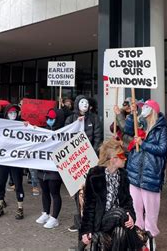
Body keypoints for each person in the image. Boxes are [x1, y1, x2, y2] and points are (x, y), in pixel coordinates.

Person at [123, 100, 167, 249]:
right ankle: (138, 238)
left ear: (153, 110)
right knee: (135, 210)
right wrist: (132, 113)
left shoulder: (161, 129)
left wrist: (144, 144)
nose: (144, 109)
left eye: (147, 107)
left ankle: (150, 240)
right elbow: (128, 129)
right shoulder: (140, 123)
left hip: (151, 176)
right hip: (134, 175)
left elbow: (163, 150)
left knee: (151, 213)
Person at [80, 139, 136, 250]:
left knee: (120, 232)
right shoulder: (95, 175)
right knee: (121, 213)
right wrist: (86, 230)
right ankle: (135, 241)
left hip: (119, 222)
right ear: (113, 159)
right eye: (122, 156)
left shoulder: (123, 176)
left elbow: (128, 202)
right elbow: (89, 206)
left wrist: (131, 217)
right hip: (100, 221)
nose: (125, 159)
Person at [66, 95, 103, 233]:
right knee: (78, 192)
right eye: (82, 102)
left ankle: (91, 219)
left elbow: (98, 138)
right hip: (76, 161)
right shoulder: (70, 119)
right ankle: (80, 220)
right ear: (77, 104)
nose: (84, 104)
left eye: (86, 102)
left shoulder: (94, 119)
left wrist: (90, 154)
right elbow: (66, 137)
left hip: (90, 160)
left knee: (91, 189)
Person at [0, 104, 26, 220]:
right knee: (1, 183)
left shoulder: (22, 123)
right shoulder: (1, 124)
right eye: (11, 113)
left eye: (15, 112)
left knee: (18, 184)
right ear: (6, 114)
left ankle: (20, 207)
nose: (13, 115)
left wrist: (28, 126)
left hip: (16, 161)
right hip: (3, 160)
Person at [36, 108, 65, 229]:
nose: (49, 120)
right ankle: (46, 213)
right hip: (42, 168)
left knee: (54, 192)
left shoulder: (64, 132)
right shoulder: (44, 130)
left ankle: (54, 217)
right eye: (47, 118)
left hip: (54, 169)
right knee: (45, 191)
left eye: (52, 119)